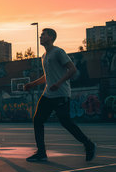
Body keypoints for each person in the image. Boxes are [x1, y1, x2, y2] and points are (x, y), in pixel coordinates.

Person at [24, 28, 96, 162]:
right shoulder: (44, 56)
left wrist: (58, 83)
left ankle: (88, 144)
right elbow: (46, 76)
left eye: (43, 34)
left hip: (61, 93)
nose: (41, 36)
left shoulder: (58, 52)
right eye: (41, 35)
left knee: (66, 122)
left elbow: (72, 69)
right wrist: (32, 84)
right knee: (38, 120)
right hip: (48, 94)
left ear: (50, 37)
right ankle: (41, 152)